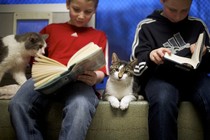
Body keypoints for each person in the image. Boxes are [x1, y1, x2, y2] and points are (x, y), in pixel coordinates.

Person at [8, 0, 108, 140]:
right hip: (47, 79)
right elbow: (35, 59)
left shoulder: (99, 36)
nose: (81, 16)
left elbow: (102, 71)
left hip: (79, 83)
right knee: (18, 104)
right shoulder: (51, 30)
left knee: (80, 106)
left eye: (87, 12)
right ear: (67, 4)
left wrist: (95, 77)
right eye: (76, 9)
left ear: (95, 10)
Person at [131, 0, 210, 140]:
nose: (178, 16)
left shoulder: (198, 25)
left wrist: (204, 52)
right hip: (161, 79)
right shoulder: (146, 27)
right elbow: (135, 68)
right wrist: (151, 57)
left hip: (194, 77)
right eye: (172, 10)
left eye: (184, 10)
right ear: (162, 1)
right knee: (163, 100)